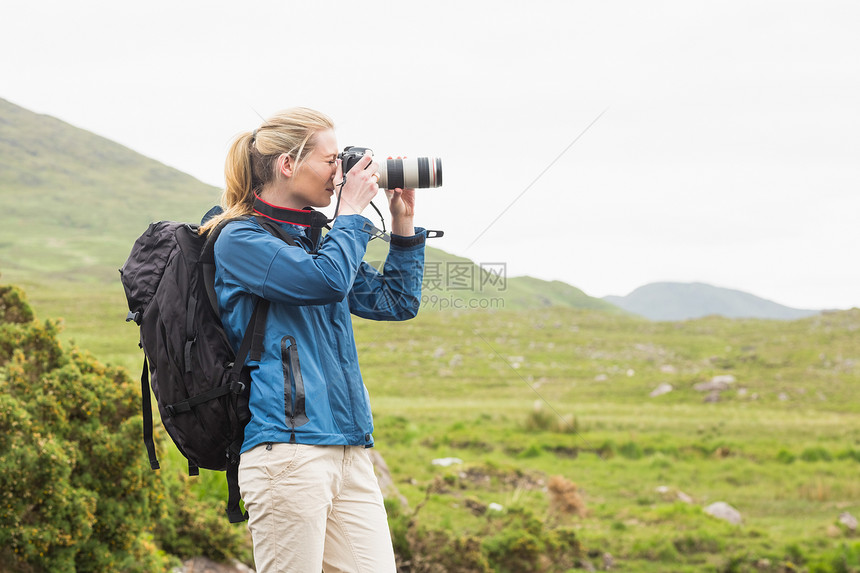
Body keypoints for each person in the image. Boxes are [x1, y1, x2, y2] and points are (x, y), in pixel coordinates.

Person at [201, 107, 426, 572]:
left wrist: (402, 226)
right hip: (288, 454)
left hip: (349, 450)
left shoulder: (313, 239)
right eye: (331, 161)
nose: (341, 172)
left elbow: (395, 301)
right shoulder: (240, 238)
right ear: (287, 165)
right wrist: (350, 214)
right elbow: (322, 282)